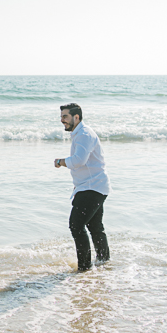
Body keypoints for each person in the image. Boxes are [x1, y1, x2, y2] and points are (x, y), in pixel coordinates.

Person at [54, 103, 111, 272]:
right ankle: (103, 262)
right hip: (93, 186)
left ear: (76, 117)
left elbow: (79, 160)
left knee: (76, 225)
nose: (62, 120)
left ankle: (84, 268)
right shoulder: (80, 134)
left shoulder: (84, 134)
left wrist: (60, 162)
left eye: (65, 116)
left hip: (92, 188)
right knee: (95, 227)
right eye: (61, 117)